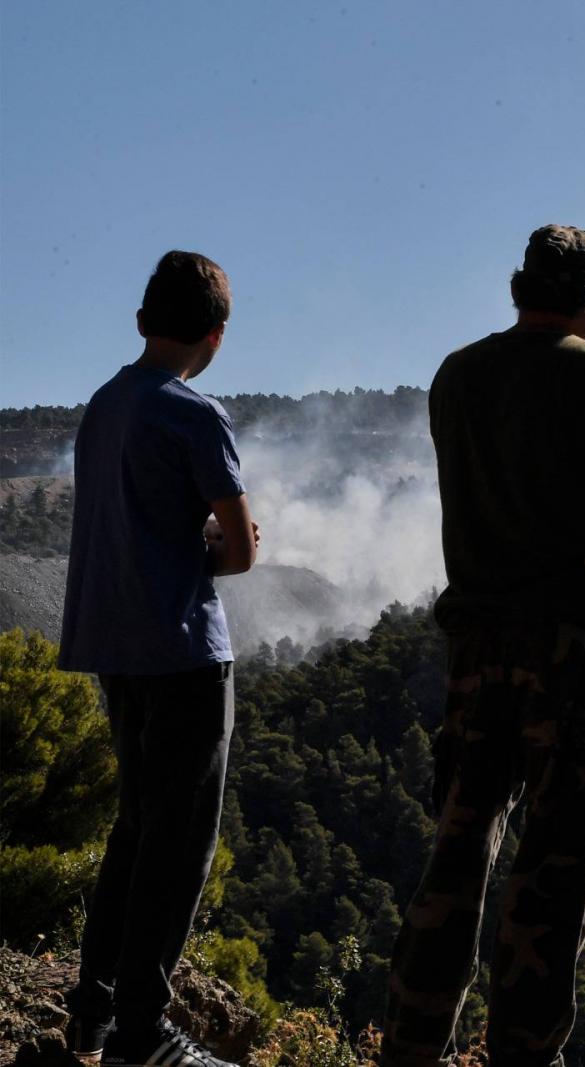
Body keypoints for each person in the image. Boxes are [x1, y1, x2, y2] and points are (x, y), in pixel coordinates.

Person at [383, 224, 585, 1067]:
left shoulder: (457, 374)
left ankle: (410, 1047)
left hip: (477, 644)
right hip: (576, 648)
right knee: (557, 859)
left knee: (458, 847)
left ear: (521, 286)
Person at [59, 251, 259, 1067]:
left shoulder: (104, 406)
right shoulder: (194, 414)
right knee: (179, 847)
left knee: (135, 829)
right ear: (216, 335)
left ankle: (93, 1014)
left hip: (115, 648)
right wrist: (206, 550)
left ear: (143, 322)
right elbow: (241, 549)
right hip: (183, 653)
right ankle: (145, 1033)